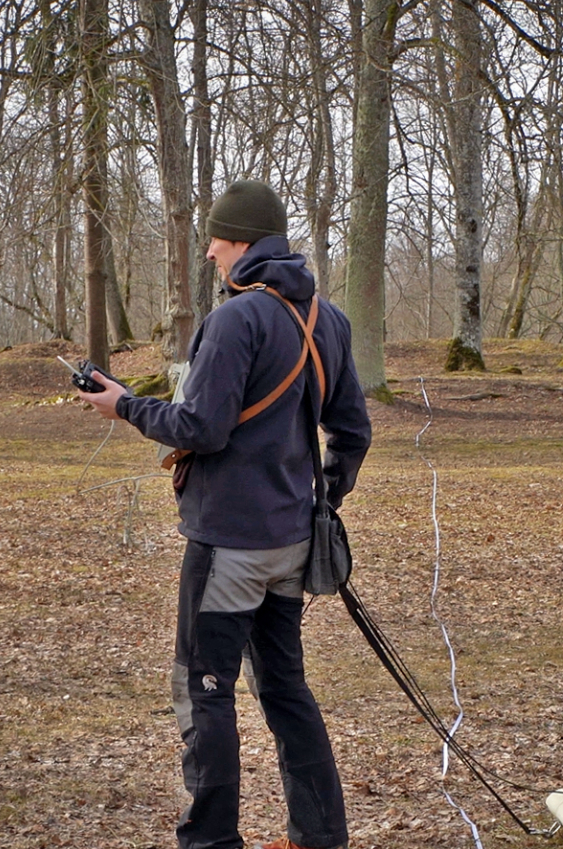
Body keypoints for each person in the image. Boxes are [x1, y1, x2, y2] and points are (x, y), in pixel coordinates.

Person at [78, 179, 371, 849]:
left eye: (216, 238)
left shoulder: (236, 319)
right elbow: (352, 433)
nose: (209, 252)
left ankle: (211, 844)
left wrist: (122, 404)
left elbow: (201, 428)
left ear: (240, 241)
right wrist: (322, 500)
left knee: (205, 692)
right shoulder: (329, 318)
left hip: (229, 546)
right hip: (293, 543)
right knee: (286, 689)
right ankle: (318, 839)